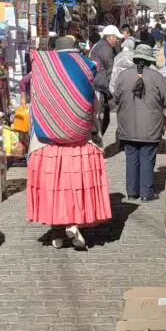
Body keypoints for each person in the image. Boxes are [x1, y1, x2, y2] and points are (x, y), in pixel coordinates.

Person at [27, 35, 111, 250]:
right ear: (75, 48)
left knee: (53, 186)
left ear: (55, 49)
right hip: (79, 140)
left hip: (47, 141)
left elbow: (30, 94)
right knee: (73, 185)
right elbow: (96, 106)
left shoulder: (43, 66)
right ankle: (73, 223)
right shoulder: (87, 65)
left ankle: (56, 231)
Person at [113, 45, 166, 201]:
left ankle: (132, 192)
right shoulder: (157, 77)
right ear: (149, 60)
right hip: (151, 128)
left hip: (127, 127)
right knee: (147, 158)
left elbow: (116, 98)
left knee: (131, 158)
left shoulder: (123, 76)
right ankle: (146, 193)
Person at [90, 24, 121, 133]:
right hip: (101, 86)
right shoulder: (106, 48)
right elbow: (110, 71)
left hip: (99, 84)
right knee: (102, 119)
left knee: (102, 119)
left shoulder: (101, 45)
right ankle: (98, 143)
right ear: (111, 36)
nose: (117, 40)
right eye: (116, 38)